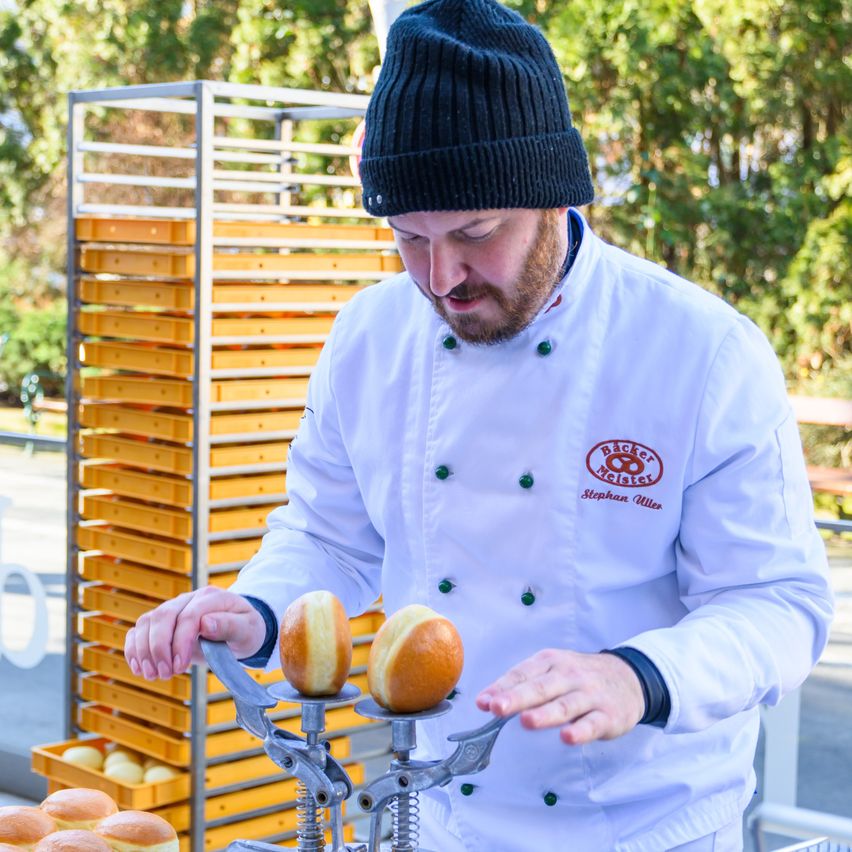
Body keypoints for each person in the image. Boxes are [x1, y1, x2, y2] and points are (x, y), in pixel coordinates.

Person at [124, 1, 834, 849]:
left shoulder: (702, 351)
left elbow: (776, 603)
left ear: (555, 197)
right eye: (409, 238)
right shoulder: (368, 338)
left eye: (475, 233)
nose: (441, 278)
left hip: (644, 828)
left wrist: (639, 676)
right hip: (438, 819)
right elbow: (328, 538)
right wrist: (259, 611)